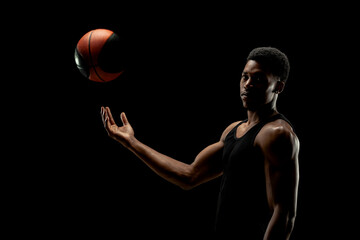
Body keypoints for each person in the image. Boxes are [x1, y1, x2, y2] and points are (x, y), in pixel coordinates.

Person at [100, 47, 300, 239]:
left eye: (258, 79)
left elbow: (284, 215)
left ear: (278, 87)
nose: (247, 84)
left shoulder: (277, 134)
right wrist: (131, 142)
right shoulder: (233, 130)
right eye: (245, 76)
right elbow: (189, 175)